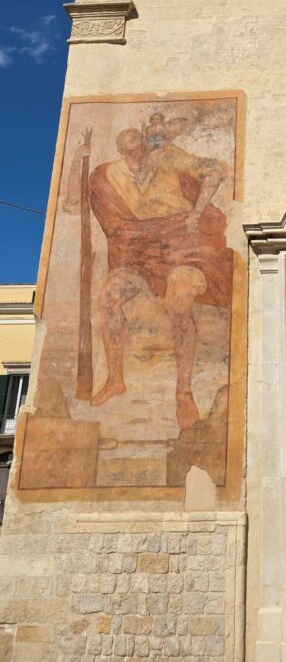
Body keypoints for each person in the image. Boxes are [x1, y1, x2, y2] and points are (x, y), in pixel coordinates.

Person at [64, 114, 232, 429]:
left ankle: (184, 390)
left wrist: (197, 212)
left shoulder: (169, 158)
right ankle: (115, 379)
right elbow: (73, 205)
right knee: (109, 295)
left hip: (180, 245)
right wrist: (77, 159)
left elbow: (215, 171)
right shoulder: (105, 175)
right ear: (121, 150)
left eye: (139, 140)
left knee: (180, 302)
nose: (138, 145)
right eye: (129, 143)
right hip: (136, 253)